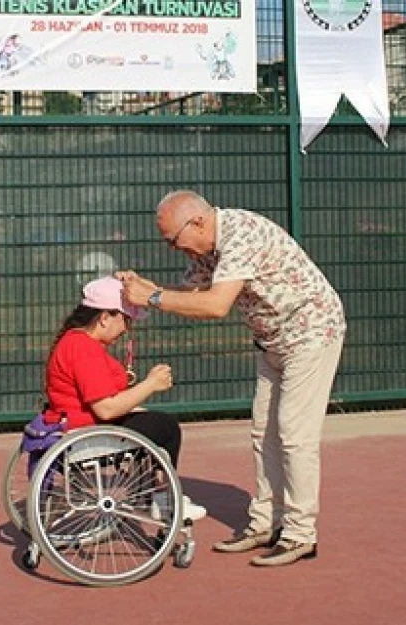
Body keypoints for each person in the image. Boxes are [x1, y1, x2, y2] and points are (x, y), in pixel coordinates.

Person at [118, 190, 346, 567]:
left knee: (294, 434)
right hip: (273, 338)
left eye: (173, 239)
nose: (174, 248)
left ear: (199, 222)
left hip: (312, 332)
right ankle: (264, 524)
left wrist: (153, 296)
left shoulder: (240, 235)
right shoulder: (205, 247)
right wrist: (139, 291)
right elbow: (189, 292)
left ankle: (300, 534)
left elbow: (215, 305)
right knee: (262, 432)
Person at [42, 275, 207, 522]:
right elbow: (106, 409)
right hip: (86, 437)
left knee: (149, 420)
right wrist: (150, 384)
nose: (127, 329)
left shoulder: (75, 342)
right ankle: (163, 498)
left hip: (76, 429)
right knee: (166, 427)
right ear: (105, 317)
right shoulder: (83, 349)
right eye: (125, 320)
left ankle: (155, 495)